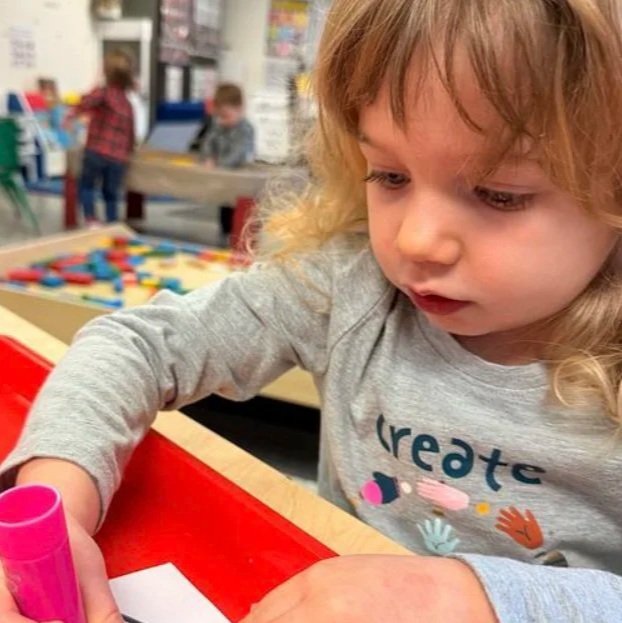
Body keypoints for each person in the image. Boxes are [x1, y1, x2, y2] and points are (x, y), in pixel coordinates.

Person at [3, 0, 622, 621]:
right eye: (389, 175)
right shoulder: (350, 287)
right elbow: (138, 345)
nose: (415, 241)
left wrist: (480, 597)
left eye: (498, 193)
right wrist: (56, 498)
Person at [72, 48, 135, 225]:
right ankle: (112, 222)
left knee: (86, 186)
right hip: (117, 158)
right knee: (111, 193)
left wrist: (76, 111)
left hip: (96, 152)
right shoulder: (127, 103)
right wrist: (128, 153)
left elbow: (84, 103)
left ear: (106, 72)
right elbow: (131, 133)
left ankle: (91, 220)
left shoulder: (103, 92)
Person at [200, 83, 255, 244]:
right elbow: (207, 144)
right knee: (224, 208)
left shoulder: (245, 129)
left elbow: (238, 153)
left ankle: (237, 240)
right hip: (224, 179)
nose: (222, 120)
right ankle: (224, 237)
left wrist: (219, 165)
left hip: (240, 179)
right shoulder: (218, 126)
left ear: (240, 109)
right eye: (220, 115)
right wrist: (209, 158)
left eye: (226, 115)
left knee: (239, 214)